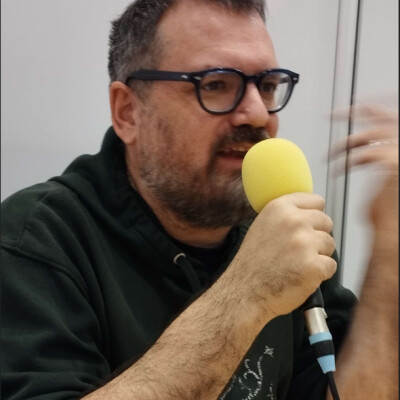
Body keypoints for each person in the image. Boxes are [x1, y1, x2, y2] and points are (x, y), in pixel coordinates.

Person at [1, 0, 398, 399]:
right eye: (216, 84)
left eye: (267, 86)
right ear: (128, 113)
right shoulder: (36, 240)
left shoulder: (287, 230)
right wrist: (247, 294)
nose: (257, 114)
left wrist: (390, 253)